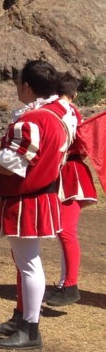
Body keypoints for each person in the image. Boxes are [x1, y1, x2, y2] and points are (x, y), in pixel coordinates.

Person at [0, 60, 72, 350]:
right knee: (26, 262)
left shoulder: (32, 120)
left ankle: (30, 328)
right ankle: (22, 318)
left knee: (28, 264)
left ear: (26, 86)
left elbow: (10, 166)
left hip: (28, 199)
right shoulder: (59, 114)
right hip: (41, 195)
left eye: (18, 83)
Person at [45, 73, 97, 306]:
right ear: (74, 93)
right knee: (63, 232)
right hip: (70, 171)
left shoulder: (60, 110)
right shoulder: (71, 111)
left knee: (66, 232)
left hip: (69, 173)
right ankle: (66, 284)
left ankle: (69, 285)